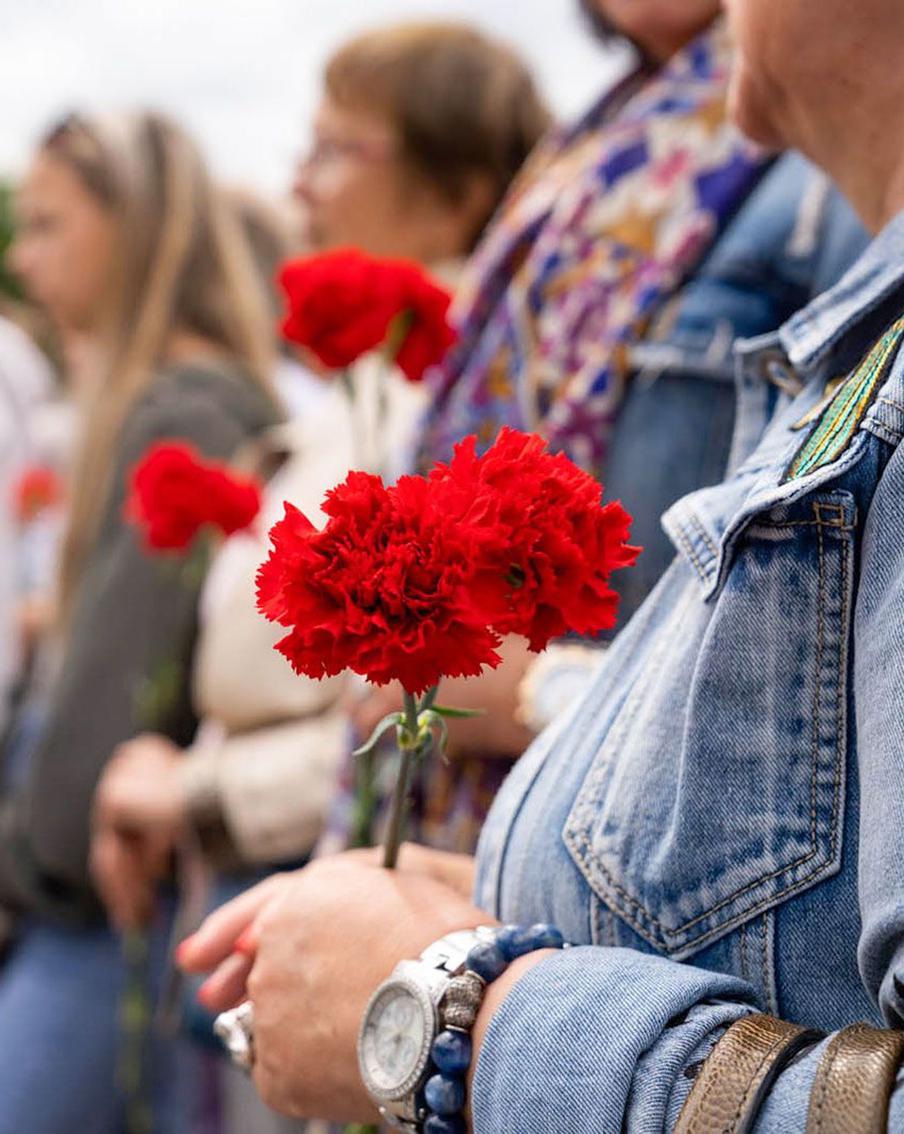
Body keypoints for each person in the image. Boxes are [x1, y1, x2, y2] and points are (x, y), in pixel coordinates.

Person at [180, 0, 904, 1128]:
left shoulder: (786, 209)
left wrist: (456, 1013)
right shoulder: (607, 148)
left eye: (338, 146)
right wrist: (512, 893)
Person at [340, 0, 868, 855]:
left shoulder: (821, 142)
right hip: (497, 801)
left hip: (651, 827)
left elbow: (838, 624)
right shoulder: (596, 140)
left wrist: (541, 690)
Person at [0, 110, 281, 1133]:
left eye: (48, 225)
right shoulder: (176, 400)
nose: (24, 258)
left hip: (106, 905)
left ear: (132, 226)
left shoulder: (185, 413)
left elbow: (112, 703)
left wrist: (25, 866)